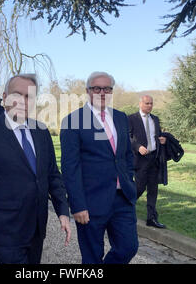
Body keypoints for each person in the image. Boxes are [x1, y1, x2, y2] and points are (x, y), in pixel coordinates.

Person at [0, 73, 71, 264]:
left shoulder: (41, 132)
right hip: (4, 230)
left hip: (36, 228)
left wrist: (63, 211)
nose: (23, 101)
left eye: (29, 96)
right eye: (17, 94)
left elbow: (52, 175)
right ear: (5, 96)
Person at [60, 71, 139, 264]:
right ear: (88, 91)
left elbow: (126, 154)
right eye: (97, 88)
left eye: (107, 88)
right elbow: (70, 167)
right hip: (91, 201)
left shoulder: (120, 118)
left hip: (122, 199)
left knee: (128, 247)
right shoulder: (73, 121)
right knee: (92, 256)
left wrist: (129, 178)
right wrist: (77, 205)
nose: (102, 92)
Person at [128, 95, 167, 229]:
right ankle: (125, 207)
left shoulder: (155, 119)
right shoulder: (131, 119)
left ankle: (152, 218)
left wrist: (162, 140)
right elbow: (128, 137)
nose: (149, 106)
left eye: (151, 103)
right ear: (140, 103)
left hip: (154, 158)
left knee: (153, 189)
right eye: (147, 103)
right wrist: (137, 146)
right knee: (139, 188)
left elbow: (157, 134)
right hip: (140, 160)